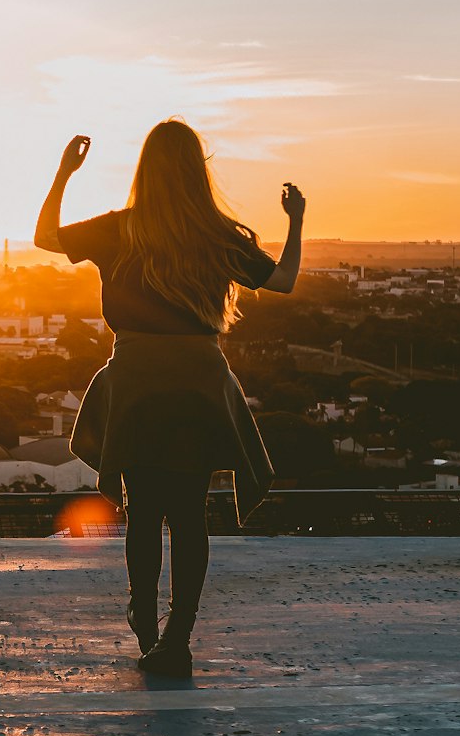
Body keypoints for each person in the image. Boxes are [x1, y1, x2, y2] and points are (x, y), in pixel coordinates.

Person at [34, 119, 305, 679]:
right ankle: (177, 637)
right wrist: (296, 222)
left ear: (144, 171)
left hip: (137, 384)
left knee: (144, 511)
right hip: (198, 386)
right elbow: (282, 281)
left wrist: (63, 173)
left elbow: (45, 238)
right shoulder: (216, 235)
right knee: (189, 515)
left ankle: (147, 618)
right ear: (196, 172)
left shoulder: (119, 228)